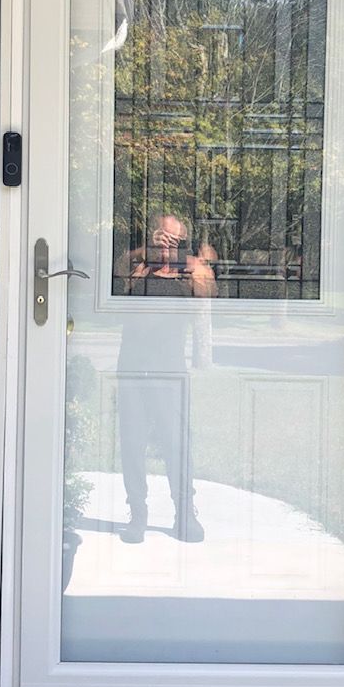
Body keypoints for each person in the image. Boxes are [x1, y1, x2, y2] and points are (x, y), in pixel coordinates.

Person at [115, 214, 215, 544]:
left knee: (176, 443)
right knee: (132, 443)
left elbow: (210, 293)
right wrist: (146, 251)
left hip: (170, 370)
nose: (166, 244)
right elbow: (115, 277)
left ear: (184, 242)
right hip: (132, 367)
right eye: (162, 236)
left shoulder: (189, 273)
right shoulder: (139, 267)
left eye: (174, 239)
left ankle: (185, 513)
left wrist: (191, 260)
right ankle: (137, 514)